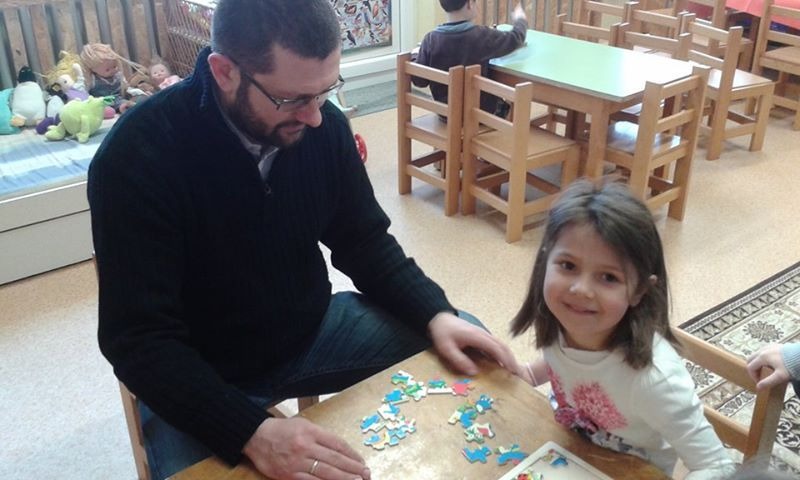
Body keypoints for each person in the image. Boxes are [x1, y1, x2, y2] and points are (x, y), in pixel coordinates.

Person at [87, 0, 518, 479]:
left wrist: (434, 312)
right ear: (224, 72)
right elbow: (138, 340)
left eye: (325, 91)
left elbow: (364, 240)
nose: (314, 117)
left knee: (466, 342)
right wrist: (250, 431)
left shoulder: (323, 125)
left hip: (309, 331)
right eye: (292, 99)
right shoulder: (136, 156)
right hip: (199, 368)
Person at [510, 178, 736, 479]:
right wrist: (527, 374)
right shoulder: (563, 322)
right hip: (568, 450)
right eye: (568, 266)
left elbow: (717, 466)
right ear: (544, 263)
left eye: (608, 277)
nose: (581, 289)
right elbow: (565, 361)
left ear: (639, 291)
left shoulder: (656, 381)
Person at [413, 0, 527, 115]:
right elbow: (516, 38)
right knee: (505, 103)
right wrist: (520, 19)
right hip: (479, 114)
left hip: (445, 113)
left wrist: (415, 56)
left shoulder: (430, 40)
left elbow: (419, 81)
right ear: (469, 4)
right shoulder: (482, 35)